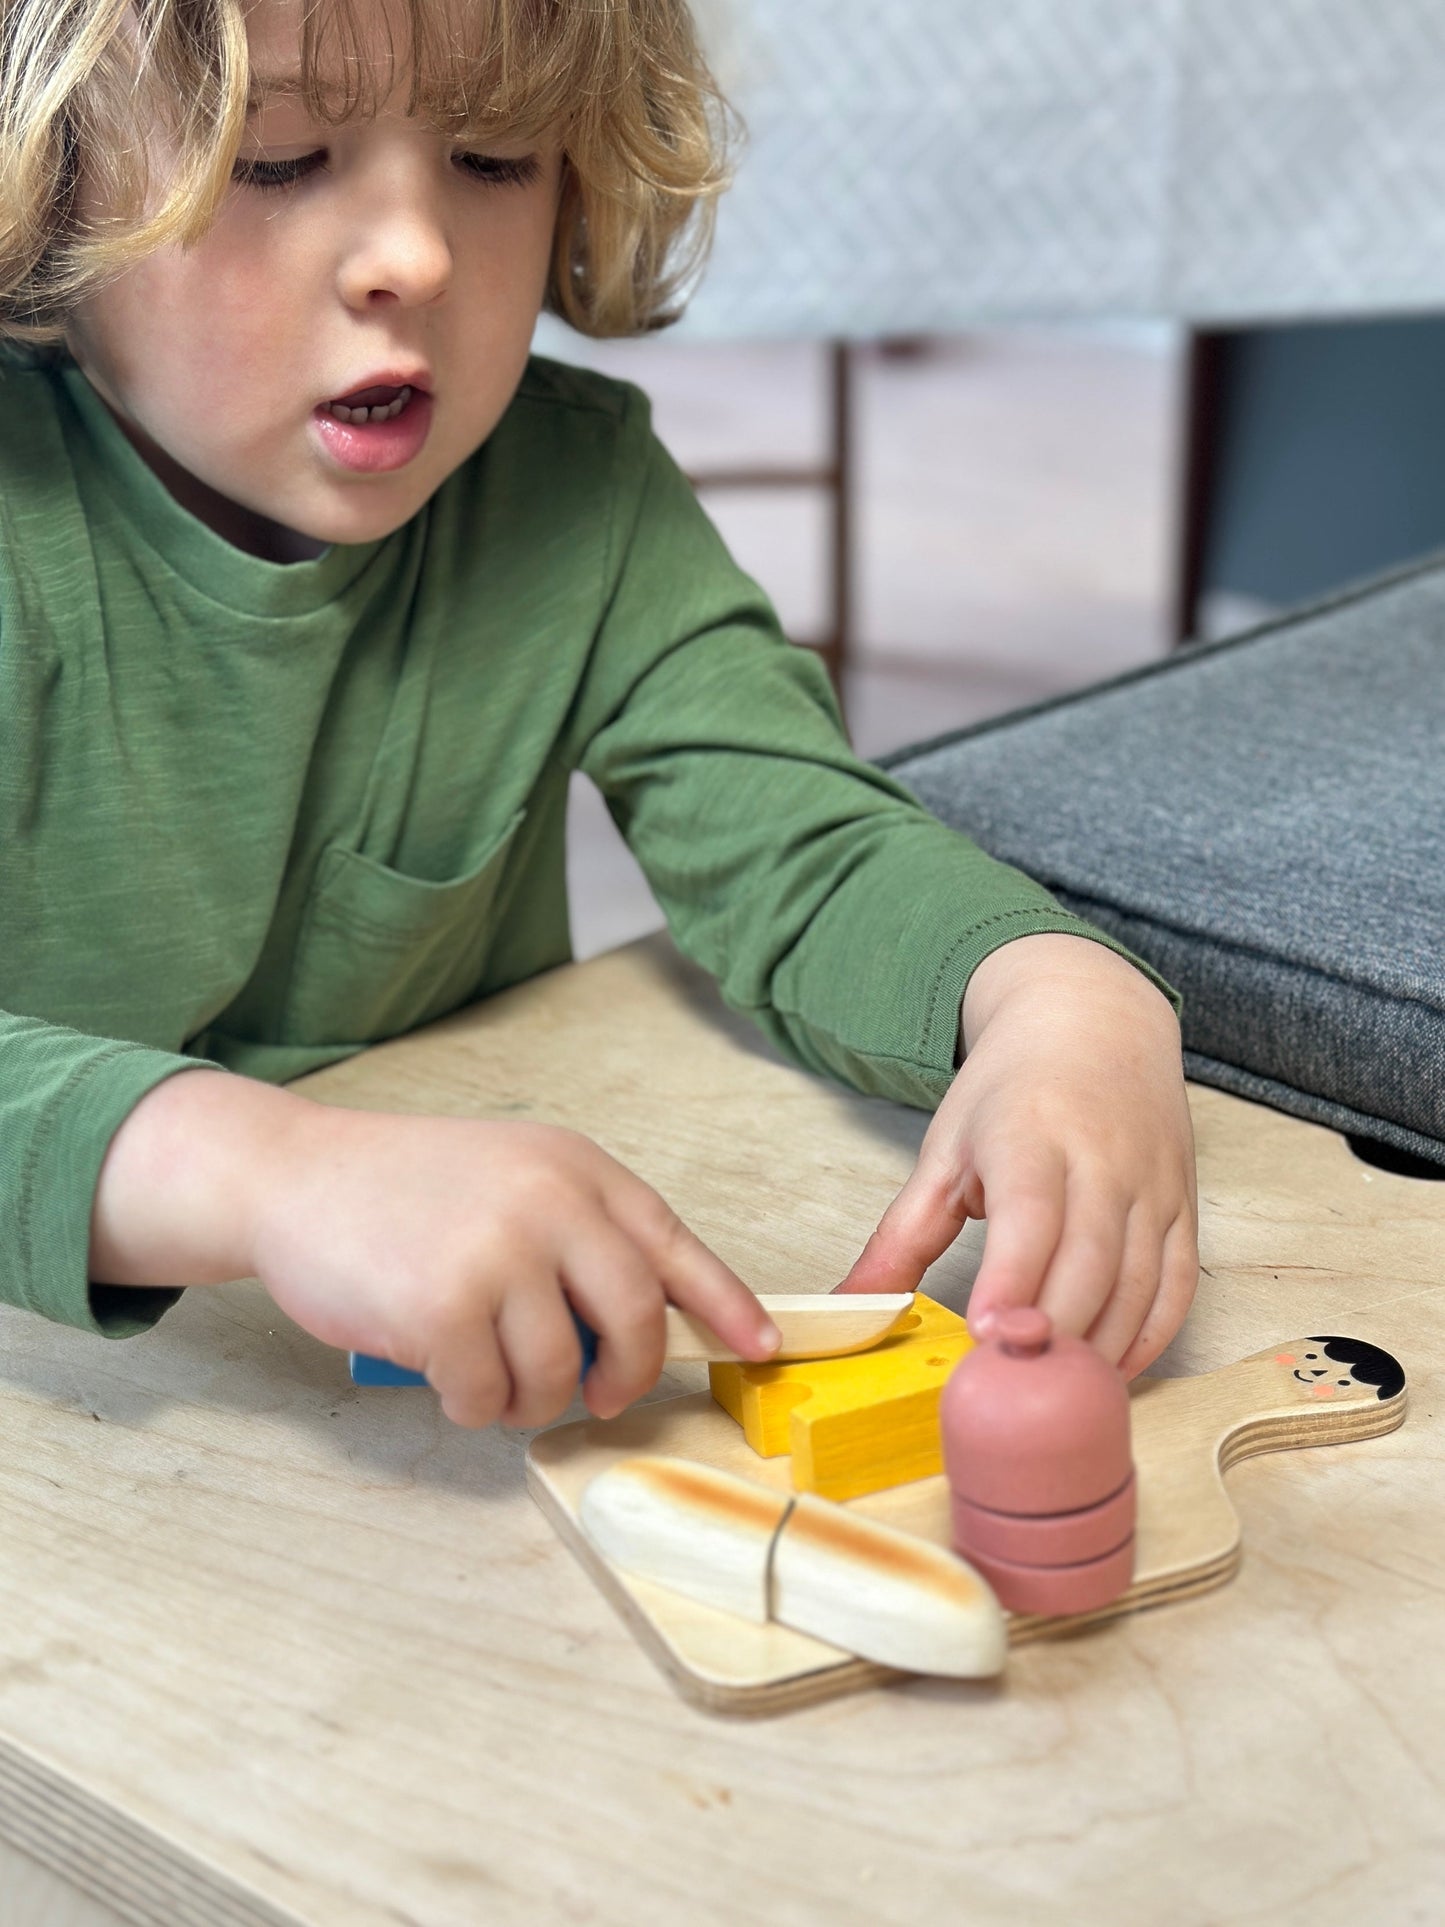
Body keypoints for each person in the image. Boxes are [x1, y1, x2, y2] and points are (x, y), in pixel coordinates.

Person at [0, 0, 1198, 1432]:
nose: (417, 255)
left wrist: (1062, 1004)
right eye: (280, 159)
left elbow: (803, 849)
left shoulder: (580, 492)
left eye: (496, 158)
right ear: (46, 177)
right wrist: (265, 1174)